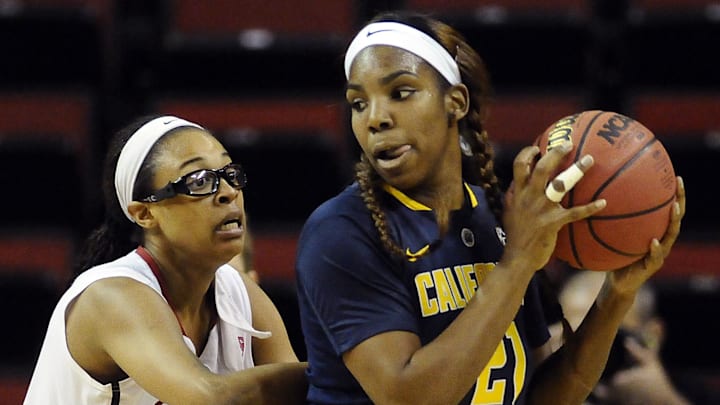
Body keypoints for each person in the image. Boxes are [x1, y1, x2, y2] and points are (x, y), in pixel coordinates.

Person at [294, 10, 686, 405]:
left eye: (400, 92)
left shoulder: (497, 218)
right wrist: (516, 261)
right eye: (358, 103)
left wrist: (617, 296)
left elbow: (541, 397)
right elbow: (407, 398)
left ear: (456, 101)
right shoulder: (341, 232)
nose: (375, 118)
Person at [24, 115, 307, 404]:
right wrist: (345, 366)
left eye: (230, 174)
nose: (228, 192)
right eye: (199, 181)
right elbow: (210, 398)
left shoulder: (240, 292)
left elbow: (307, 396)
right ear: (144, 214)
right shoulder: (112, 296)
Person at [553, 270, 709, 405]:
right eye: (577, 337)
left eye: (609, 337)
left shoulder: (687, 390)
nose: (591, 351)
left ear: (653, 334)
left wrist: (665, 401)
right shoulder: (543, 385)